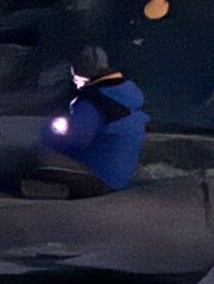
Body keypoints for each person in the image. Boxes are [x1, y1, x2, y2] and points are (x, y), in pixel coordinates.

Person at [42, 63, 148, 192]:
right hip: (118, 184)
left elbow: (75, 140)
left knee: (33, 155)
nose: (75, 84)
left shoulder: (92, 102)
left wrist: (49, 135)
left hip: (93, 182)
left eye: (76, 79)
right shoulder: (128, 101)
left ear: (87, 77)